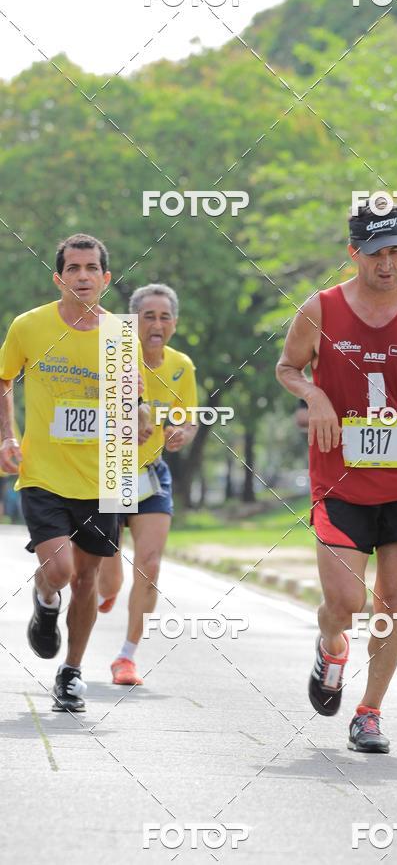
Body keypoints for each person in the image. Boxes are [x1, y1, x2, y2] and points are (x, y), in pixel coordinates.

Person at [276, 202, 397, 753]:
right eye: (376, 253)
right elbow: (287, 367)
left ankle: (369, 712)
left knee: (394, 601)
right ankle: (332, 649)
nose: (387, 263)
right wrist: (316, 395)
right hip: (339, 481)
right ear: (353, 253)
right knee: (345, 602)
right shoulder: (321, 311)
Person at [0, 233, 150, 712]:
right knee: (60, 571)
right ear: (58, 277)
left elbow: (134, 399)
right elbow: (4, 379)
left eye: (91, 269)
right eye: (73, 268)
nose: (82, 276)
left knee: (87, 580)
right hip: (43, 470)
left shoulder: (120, 334)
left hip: (106, 472)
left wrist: (143, 420)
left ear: (106, 279)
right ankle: (46, 600)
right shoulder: (30, 326)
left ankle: (71, 672)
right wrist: (8, 435)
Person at [97, 284, 198, 686]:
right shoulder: (114, 352)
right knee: (109, 578)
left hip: (153, 473)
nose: (156, 324)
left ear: (174, 323)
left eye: (164, 316)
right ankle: (106, 582)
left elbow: (187, 419)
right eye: (148, 316)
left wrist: (182, 434)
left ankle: (127, 657)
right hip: (110, 470)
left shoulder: (181, 366)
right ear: (132, 320)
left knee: (150, 565)